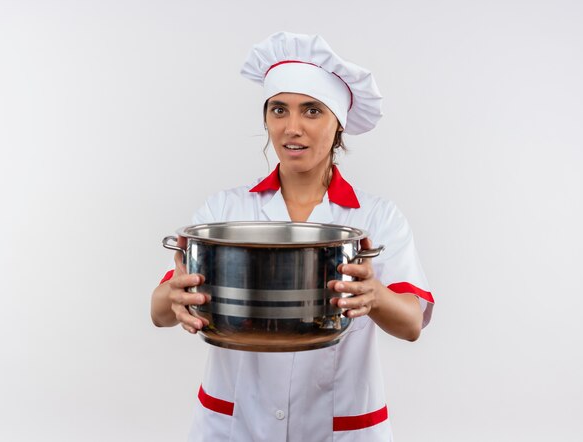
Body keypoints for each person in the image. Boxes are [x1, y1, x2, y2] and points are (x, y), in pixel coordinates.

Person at [151, 31, 435, 442]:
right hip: (233, 425)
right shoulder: (223, 211)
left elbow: (411, 323)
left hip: (341, 427)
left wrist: (374, 295)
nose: (292, 128)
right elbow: (159, 310)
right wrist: (174, 298)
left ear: (339, 123)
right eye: (279, 110)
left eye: (312, 111)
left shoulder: (376, 216)